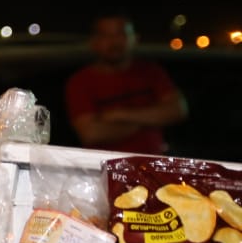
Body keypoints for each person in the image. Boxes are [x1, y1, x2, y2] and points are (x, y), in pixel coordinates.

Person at [65, 10, 187, 154]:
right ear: (94, 42)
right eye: (105, 35)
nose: (114, 42)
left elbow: (178, 110)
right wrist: (151, 119)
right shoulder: (81, 82)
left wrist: (120, 115)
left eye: (120, 34)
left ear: (134, 38)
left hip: (154, 166)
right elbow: (91, 133)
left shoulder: (151, 72)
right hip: (102, 169)